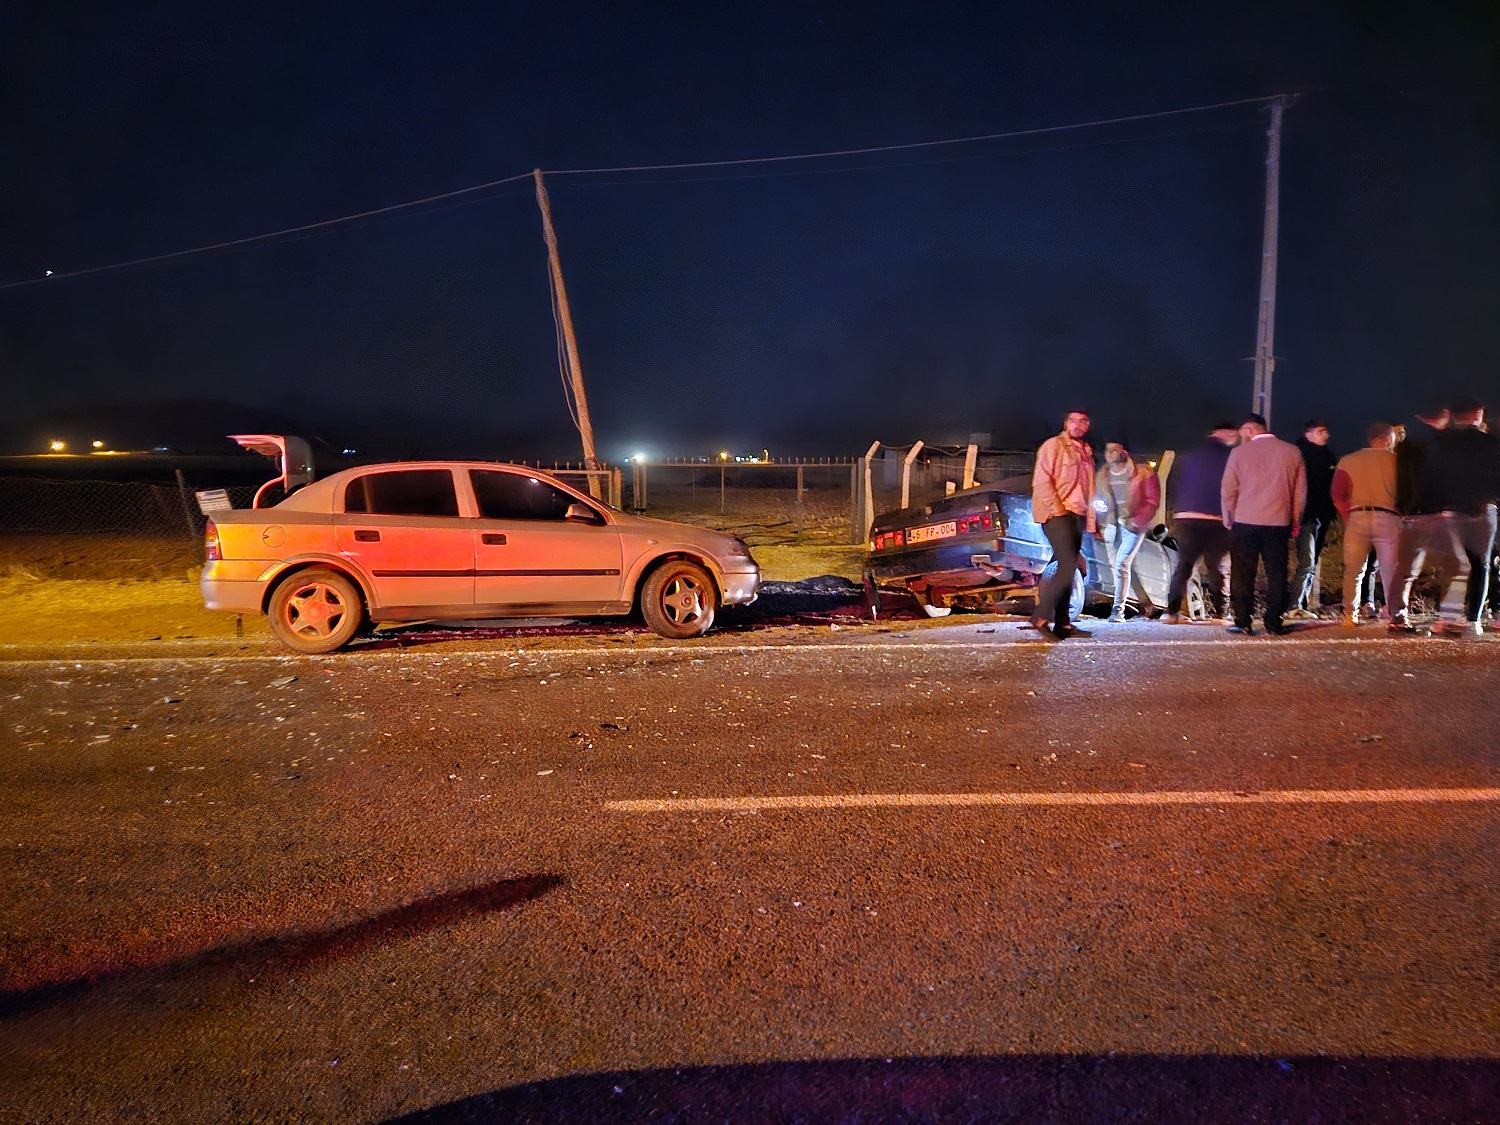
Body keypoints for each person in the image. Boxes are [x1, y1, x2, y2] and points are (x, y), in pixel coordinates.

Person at [1221, 413, 1307, 636]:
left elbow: (1228, 489)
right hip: (1278, 522)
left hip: (1244, 521)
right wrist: (1295, 521)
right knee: (1277, 573)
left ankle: (1243, 621)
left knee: (1242, 573)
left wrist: (1227, 517)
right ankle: (1273, 622)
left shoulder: (1238, 453)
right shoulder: (1292, 452)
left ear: (1249, 430)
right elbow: (1300, 493)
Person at [1418, 399, 1499, 635]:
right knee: (1480, 564)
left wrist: (1430, 506)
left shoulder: (1445, 444)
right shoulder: (1491, 444)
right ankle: (1473, 620)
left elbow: (1431, 475)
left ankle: (1448, 616)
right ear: (1477, 415)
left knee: (1454, 564)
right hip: (1483, 509)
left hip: (1451, 510)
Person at [1332, 423, 1408, 630]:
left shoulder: (1348, 460)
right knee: (1391, 570)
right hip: (1389, 517)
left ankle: (1350, 615)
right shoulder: (1398, 461)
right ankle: (1397, 615)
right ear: (1388, 438)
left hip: (1357, 517)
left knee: (1354, 571)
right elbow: (1408, 494)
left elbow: (1337, 494)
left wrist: (1350, 515)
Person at [1161, 423, 1238, 623]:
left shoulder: (1193, 456)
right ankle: (1221, 612)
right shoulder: (1229, 457)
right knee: (1216, 567)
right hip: (1215, 518)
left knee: (1184, 565)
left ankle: (1171, 612)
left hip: (1186, 516)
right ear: (1223, 433)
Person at [1029, 410, 1095, 638]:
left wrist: (1091, 520)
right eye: (1072, 420)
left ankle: (1063, 624)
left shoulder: (1086, 451)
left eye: (1082, 421)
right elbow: (1042, 481)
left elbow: (1089, 491)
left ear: (1087, 425)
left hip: (1077, 515)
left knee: (1070, 566)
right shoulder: (1052, 446)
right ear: (1066, 423)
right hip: (1056, 514)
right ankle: (1041, 614)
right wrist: (1057, 509)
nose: (1077, 425)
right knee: (1067, 564)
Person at [1095, 441, 1161, 622]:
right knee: (1123, 566)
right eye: (1107, 449)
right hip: (1111, 526)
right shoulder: (1103, 474)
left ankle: (1118, 610)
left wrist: (1137, 521)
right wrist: (1098, 520)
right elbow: (1098, 498)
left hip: (1133, 525)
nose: (1110, 453)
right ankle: (1147, 605)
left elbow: (1151, 502)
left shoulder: (1144, 473)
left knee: (1122, 564)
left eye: (1115, 449)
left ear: (1125, 451)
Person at [1289, 418, 1337, 618]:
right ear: (1307, 433)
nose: (1325, 435)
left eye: (1326, 431)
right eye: (1320, 431)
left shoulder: (1328, 456)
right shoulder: (1298, 454)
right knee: (1306, 561)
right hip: (1304, 515)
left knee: (1312, 560)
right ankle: (1294, 606)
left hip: (1322, 515)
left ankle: (1302, 604)